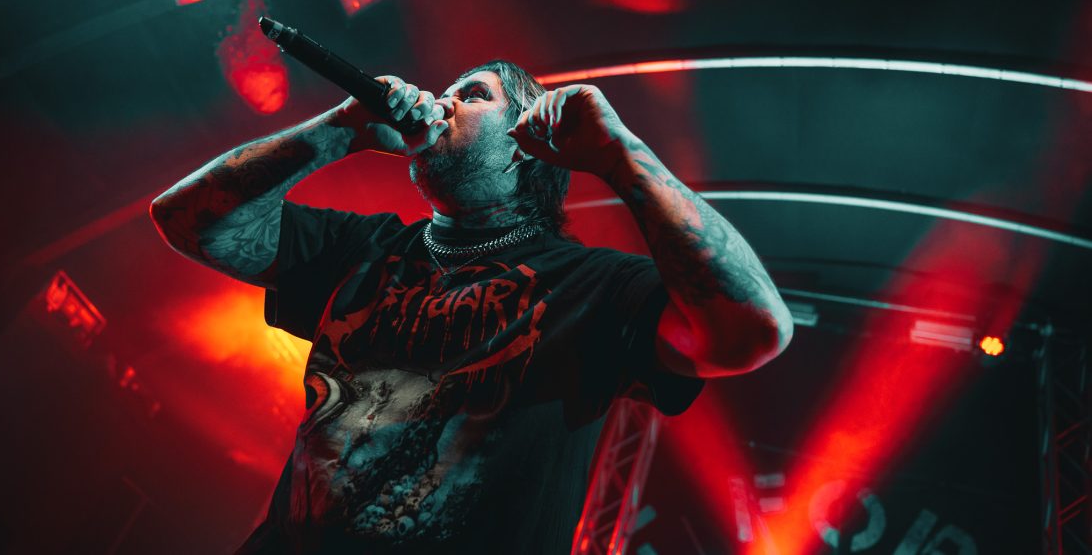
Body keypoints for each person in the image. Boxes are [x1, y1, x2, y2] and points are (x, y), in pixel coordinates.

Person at [150, 59, 794, 554]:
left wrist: (619, 152)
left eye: (473, 93)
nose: (439, 102)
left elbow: (755, 329)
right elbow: (185, 221)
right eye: (445, 90)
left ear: (525, 144)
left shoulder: (593, 285)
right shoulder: (361, 248)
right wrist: (339, 130)